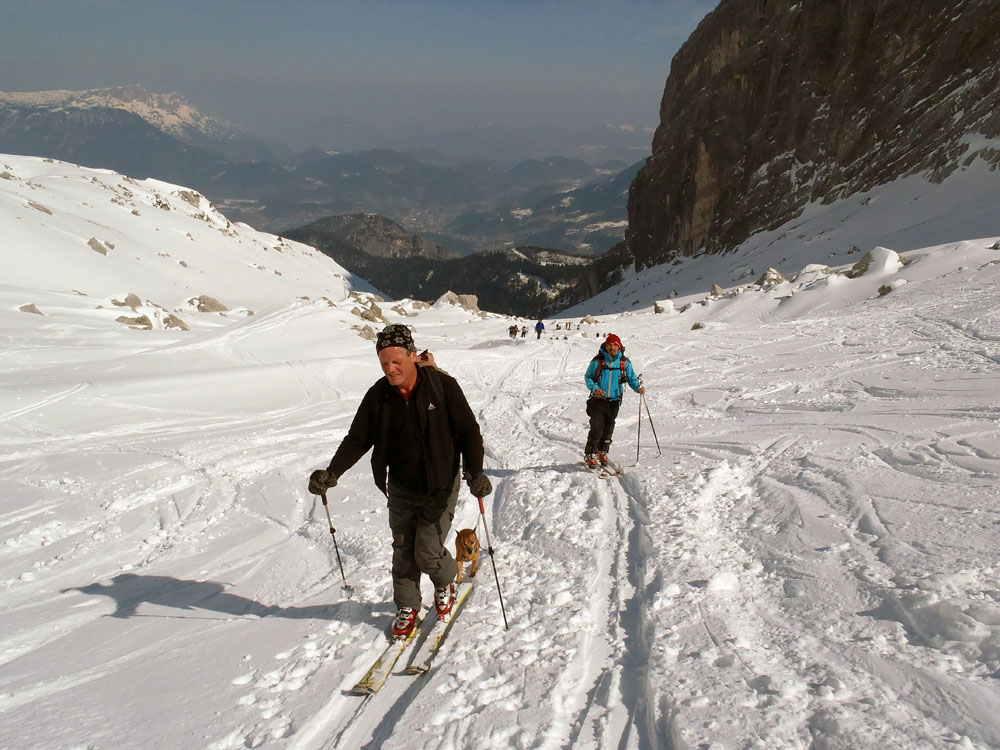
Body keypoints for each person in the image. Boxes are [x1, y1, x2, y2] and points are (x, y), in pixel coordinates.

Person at [307, 324, 492, 639]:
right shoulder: (379, 396)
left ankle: (446, 581)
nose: (390, 370)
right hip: (402, 488)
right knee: (404, 550)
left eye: (397, 362)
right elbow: (358, 439)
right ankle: (408, 606)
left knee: (428, 550)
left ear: (412, 356)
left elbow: (468, 432)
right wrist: (333, 472)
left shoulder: (442, 387)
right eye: (384, 363)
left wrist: (475, 472)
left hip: (441, 486)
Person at [583, 333, 645, 468]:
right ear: (606, 346)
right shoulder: (598, 361)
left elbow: (632, 378)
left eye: (614, 345)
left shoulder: (624, 362)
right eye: (609, 345)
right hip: (598, 400)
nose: (612, 348)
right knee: (597, 428)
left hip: (615, 401)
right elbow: (589, 377)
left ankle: (603, 451)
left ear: (619, 346)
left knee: (608, 428)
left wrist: (638, 388)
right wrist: (595, 388)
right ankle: (590, 453)